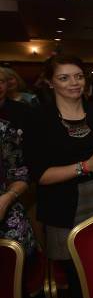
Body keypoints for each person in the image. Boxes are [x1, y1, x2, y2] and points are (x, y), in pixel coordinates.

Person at [26, 54, 93, 266]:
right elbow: (40, 175)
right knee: (76, 271)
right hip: (63, 206)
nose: (74, 83)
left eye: (79, 76)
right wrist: (86, 166)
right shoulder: (38, 119)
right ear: (50, 82)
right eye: (64, 78)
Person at [0, 68, 36, 256]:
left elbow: (20, 171)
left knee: (17, 259)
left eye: (1, 81)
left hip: (7, 202)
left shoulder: (5, 128)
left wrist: (6, 199)